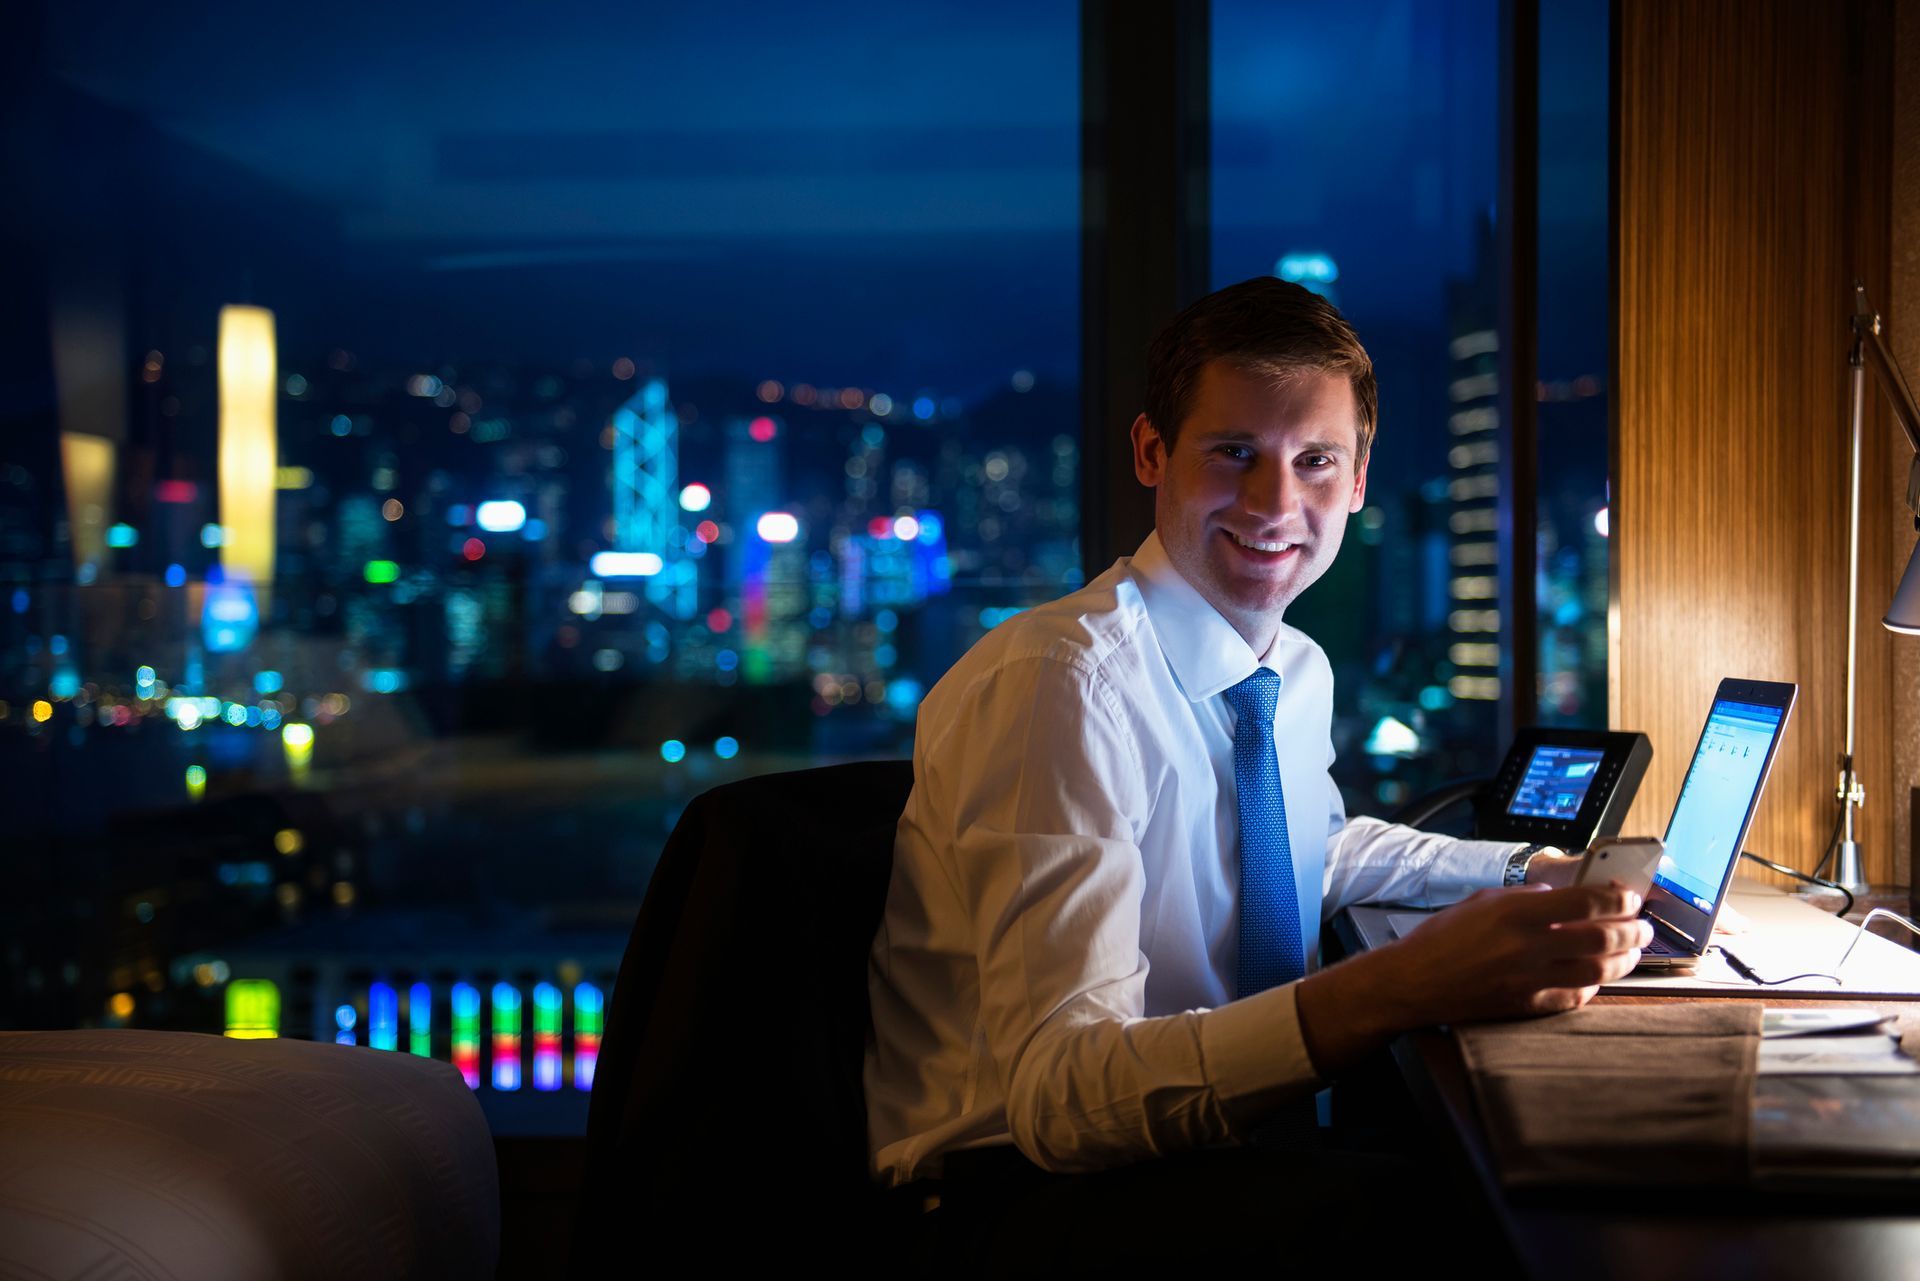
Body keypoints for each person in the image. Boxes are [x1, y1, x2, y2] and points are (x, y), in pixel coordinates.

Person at [862, 277, 1648, 1265]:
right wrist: (1397, 987)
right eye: (1234, 454)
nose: (1278, 503)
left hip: (1194, 1154)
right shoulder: (1062, 686)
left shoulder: (1288, 669)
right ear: (1154, 454)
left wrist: (1524, 875)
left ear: (1359, 482)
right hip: (1016, 1205)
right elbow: (1059, 1099)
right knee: (1494, 1224)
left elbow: (1311, 850)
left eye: (1316, 461)